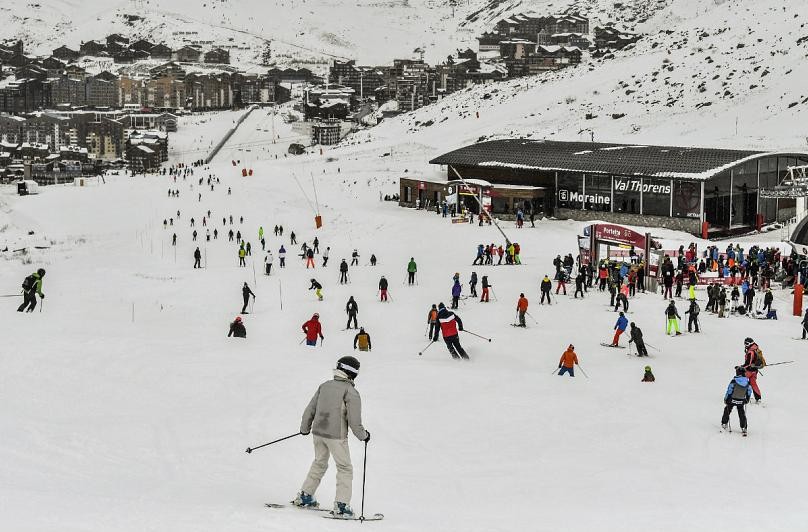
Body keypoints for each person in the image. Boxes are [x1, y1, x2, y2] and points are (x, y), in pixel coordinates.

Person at [295, 356, 369, 518]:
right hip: (336, 436)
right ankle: (342, 506)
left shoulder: (325, 386)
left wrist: (305, 428)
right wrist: (363, 436)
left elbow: (310, 409)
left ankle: (305, 496)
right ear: (352, 373)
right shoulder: (351, 391)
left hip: (318, 433)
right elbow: (355, 421)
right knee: (345, 468)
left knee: (319, 462)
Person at [721, 366, 752, 434]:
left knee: (727, 410)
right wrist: (747, 398)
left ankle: (724, 423)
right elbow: (749, 391)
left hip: (732, 399)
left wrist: (726, 399)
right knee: (741, 412)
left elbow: (729, 390)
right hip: (741, 400)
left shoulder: (734, 381)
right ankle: (744, 427)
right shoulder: (747, 382)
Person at [742, 337, 764, 403]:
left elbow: (748, 363)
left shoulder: (750, 352)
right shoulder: (755, 348)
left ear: (751, 343)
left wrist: (741, 367)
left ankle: (744, 397)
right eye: (744, 343)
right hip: (755, 371)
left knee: (742, 380)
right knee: (753, 383)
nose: (745, 345)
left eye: (747, 343)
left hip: (750, 371)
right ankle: (758, 398)